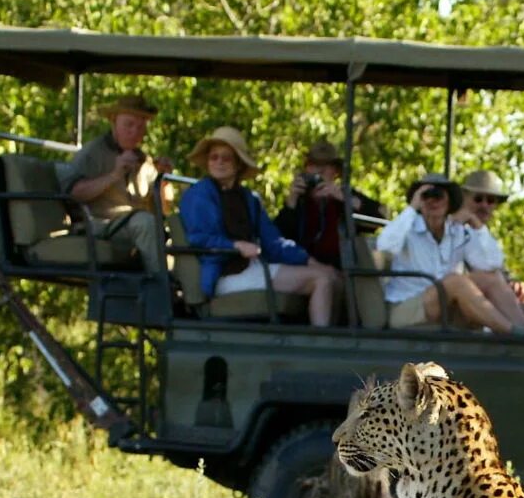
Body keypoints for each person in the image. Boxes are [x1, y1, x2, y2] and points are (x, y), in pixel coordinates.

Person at [177, 126, 340, 326]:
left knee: (327, 275)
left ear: (238, 165)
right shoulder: (199, 194)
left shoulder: (249, 199)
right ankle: (321, 347)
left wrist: (308, 260)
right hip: (225, 275)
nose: (219, 162)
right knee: (321, 280)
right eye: (214, 157)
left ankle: (329, 339)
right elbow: (200, 238)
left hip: (253, 268)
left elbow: (274, 242)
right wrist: (236, 246)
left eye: (226, 158)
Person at [375, 172, 524, 334]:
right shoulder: (407, 227)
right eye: (426, 196)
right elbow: (385, 246)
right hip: (406, 307)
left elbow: (491, 263)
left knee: (491, 277)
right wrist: (412, 207)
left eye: (438, 196)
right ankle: (511, 332)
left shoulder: (458, 231)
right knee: (455, 282)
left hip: (444, 305)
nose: (432, 201)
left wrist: (476, 225)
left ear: (449, 202)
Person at [63, 94, 176, 274]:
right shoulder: (93, 153)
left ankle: (182, 289)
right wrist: (114, 175)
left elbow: (164, 210)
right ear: (114, 121)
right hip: (98, 224)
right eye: (129, 125)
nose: (135, 132)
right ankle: (162, 288)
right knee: (145, 223)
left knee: (177, 228)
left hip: (133, 226)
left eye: (141, 127)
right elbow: (74, 193)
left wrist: (162, 180)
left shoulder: (144, 161)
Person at [273, 139, 388, 270]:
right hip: (303, 268)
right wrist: (291, 202)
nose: (319, 171)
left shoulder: (344, 196)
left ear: (336, 171)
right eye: (314, 165)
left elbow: (380, 218)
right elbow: (277, 239)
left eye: (326, 166)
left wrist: (344, 198)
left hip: (341, 270)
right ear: (306, 169)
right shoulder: (299, 200)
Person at [453, 169, 524, 323]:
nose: (484, 205)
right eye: (478, 199)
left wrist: (515, 286)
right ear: (463, 198)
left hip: (490, 304)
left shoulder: (483, 234)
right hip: (465, 305)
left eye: (490, 201)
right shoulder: (453, 228)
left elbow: (498, 271)